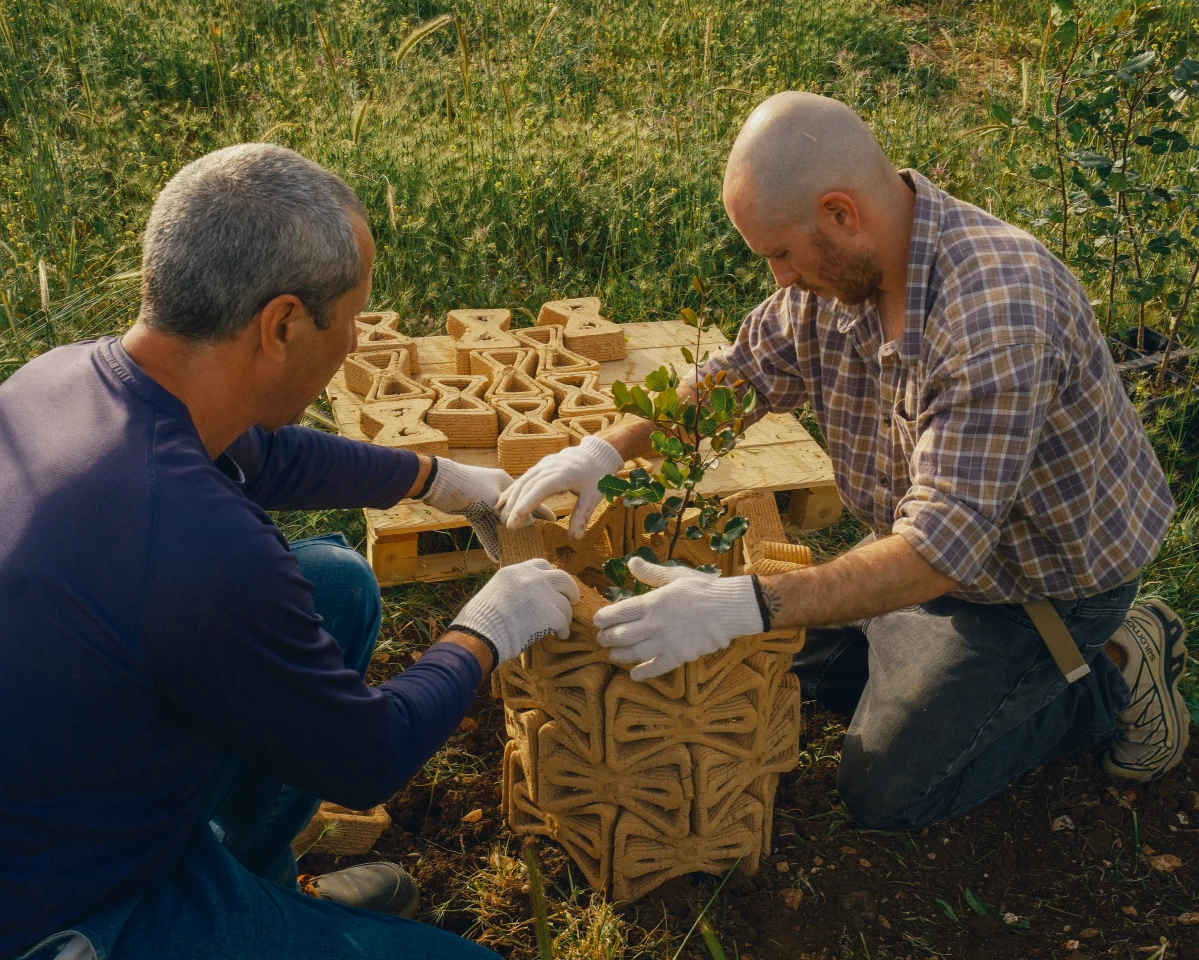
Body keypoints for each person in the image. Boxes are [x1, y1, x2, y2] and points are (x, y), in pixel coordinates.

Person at [499, 91, 1190, 830]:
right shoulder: (840, 275)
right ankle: (913, 664)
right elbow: (743, 373)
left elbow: (937, 554)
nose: (780, 280)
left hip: (1032, 588)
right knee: (763, 668)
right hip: (925, 548)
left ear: (840, 213)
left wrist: (744, 601)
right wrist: (606, 451)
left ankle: (1114, 668)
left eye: (780, 254)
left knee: (888, 793)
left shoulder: (994, 317)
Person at [0, 143, 579, 960]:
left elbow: (267, 456)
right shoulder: (205, 552)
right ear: (280, 325)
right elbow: (364, 757)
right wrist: (487, 628)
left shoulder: (61, 380)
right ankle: (205, 915)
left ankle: (246, 877)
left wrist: (441, 477)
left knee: (336, 584)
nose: (354, 338)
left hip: (70, 790)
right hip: (68, 911)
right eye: (351, 315)